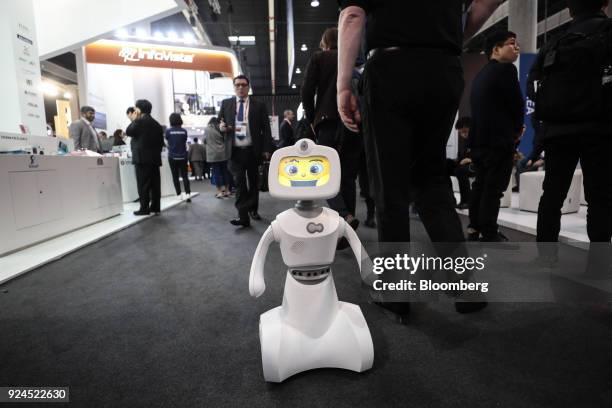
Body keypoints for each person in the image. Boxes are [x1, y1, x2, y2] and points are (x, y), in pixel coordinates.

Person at [337, 0, 503, 317]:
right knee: (431, 179)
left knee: (390, 185)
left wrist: (343, 84)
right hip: (444, 69)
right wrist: (448, 35)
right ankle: (464, 286)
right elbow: (485, 3)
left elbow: (353, 15)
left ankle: (397, 294)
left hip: (391, 68)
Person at [529, 0, 612, 243]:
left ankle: (545, 257)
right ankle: (598, 264)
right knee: (600, 197)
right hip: (600, 128)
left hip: (558, 130)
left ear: (569, 9)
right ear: (605, 4)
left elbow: (534, 88)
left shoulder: (555, 41)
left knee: (552, 194)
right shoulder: (608, 32)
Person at [467, 30, 524, 242]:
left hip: (479, 141)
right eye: (511, 43)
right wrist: (518, 129)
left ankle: (474, 228)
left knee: (480, 185)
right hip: (499, 140)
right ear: (496, 49)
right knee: (493, 189)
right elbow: (517, 105)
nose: (516, 47)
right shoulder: (506, 70)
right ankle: (489, 231)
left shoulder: (481, 74)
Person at [302, 27, 360, 236]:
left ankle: (345, 216)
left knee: (326, 175)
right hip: (353, 122)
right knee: (348, 176)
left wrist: (311, 119)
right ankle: (347, 229)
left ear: (324, 43)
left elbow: (307, 91)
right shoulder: (354, 59)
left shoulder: (320, 58)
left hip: (327, 121)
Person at [218, 75, 273, 227]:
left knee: (254, 183)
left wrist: (267, 149)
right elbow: (220, 123)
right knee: (240, 183)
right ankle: (243, 216)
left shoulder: (258, 105)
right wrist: (221, 128)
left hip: (253, 151)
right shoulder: (226, 104)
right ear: (234, 87)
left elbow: (266, 129)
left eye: (243, 85)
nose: (240, 88)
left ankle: (253, 209)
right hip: (235, 152)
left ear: (248, 87)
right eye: (237, 85)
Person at [126, 99, 165, 216]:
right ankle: (155, 207)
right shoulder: (157, 124)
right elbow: (161, 143)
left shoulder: (140, 121)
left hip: (142, 158)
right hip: (154, 159)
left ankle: (144, 208)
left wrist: (134, 119)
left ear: (138, 109)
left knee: (143, 184)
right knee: (155, 184)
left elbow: (129, 131)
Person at [447, 117, 474, 210]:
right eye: (461, 132)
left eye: (465, 131)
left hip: (475, 165)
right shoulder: (465, 142)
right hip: (464, 165)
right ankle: (450, 199)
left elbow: (484, 154)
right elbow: (462, 158)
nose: (463, 134)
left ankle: (467, 200)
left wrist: (470, 160)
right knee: (445, 166)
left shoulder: (479, 139)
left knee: (460, 171)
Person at [165, 113, 191, 202]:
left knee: (175, 176)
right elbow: (184, 142)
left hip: (172, 156)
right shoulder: (184, 131)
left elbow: (167, 143)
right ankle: (188, 194)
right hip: (183, 156)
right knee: (185, 176)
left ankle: (179, 194)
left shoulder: (168, 131)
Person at [205, 117, 232, 198]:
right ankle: (227, 190)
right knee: (225, 172)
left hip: (213, 155)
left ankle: (220, 191)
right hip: (223, 153)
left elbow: (204, 140)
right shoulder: (221, 128)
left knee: (216, 173)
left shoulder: (207, 129)